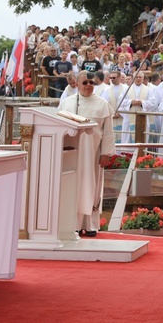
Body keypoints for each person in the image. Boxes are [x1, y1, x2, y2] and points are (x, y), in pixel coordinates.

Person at [57, 70, 115, 236]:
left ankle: (90, 225)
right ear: (77, 84)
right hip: (71, 155)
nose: (89, 85)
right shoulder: (67, 103)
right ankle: (73, 224)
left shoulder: (102, 104)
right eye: (85, 83)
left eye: (91, 83)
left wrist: (106, 153)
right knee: (73, 187)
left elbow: (109, 132)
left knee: (92, 187)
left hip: (94, 155)